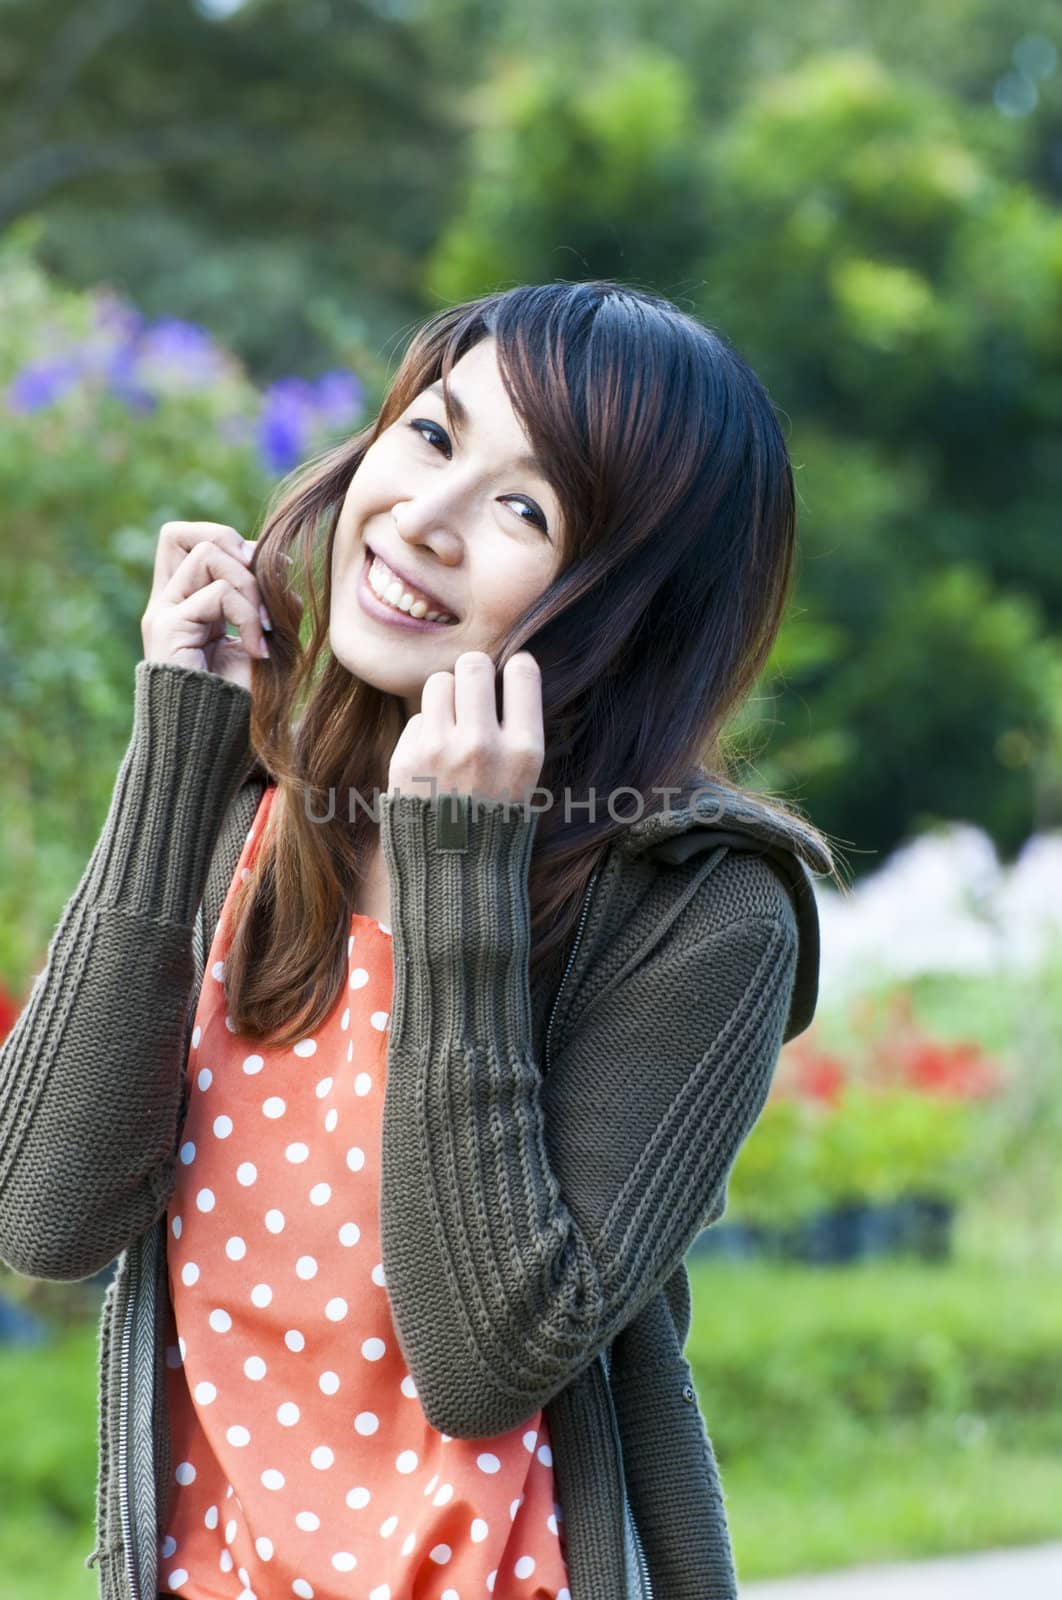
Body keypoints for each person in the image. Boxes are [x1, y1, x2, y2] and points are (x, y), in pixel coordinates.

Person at [0, 279, 844, 1600]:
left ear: (629, 605)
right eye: (435, 437)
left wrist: (461, 880)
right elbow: (43, 1215)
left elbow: (486, 1358)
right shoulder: (252, 824)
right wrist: (178, 758)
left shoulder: (701, 910)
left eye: (526, 509)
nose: (426, 522)